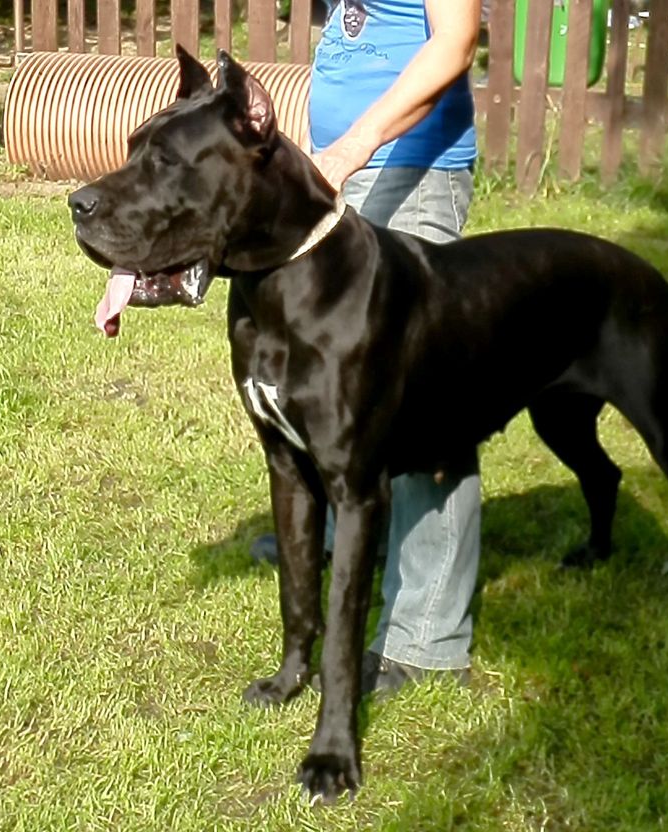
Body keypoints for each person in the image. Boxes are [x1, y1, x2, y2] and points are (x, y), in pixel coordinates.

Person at [252, 0, 483, 698]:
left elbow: (454, 43)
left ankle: (426, 635)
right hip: (344, 172)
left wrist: (355, 145)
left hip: (412, 172)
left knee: (421, 402)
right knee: (333, 377)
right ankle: (337, 532)